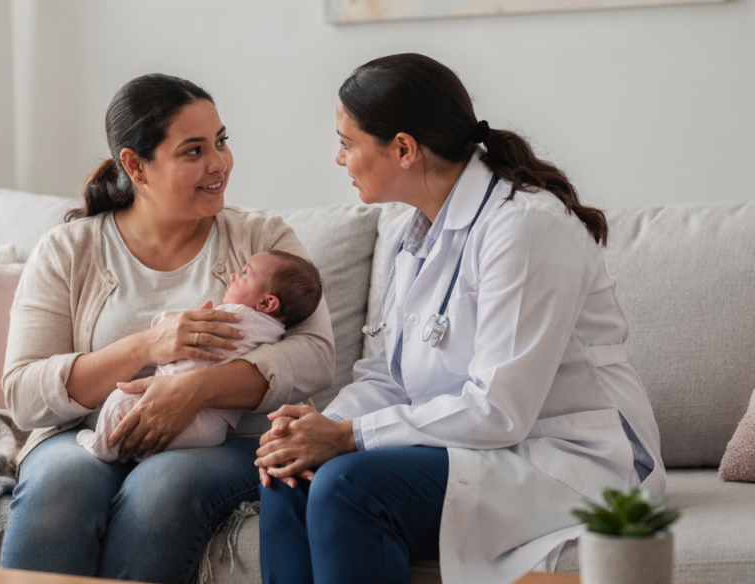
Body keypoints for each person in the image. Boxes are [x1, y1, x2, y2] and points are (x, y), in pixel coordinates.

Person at [256, 53, 666, 584]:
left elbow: (500, 410)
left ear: (403, 148)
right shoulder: (407, 236)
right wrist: (319, 429)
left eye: (346, 142)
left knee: (346, 484)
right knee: (289, 475)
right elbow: (386, 376)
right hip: (468, 448)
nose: (339, 160)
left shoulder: (523, 227)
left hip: (567, 456)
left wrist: (351, 437)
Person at [0, 73, 334, 583]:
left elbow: (315, 355)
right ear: (135, 165)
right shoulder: (68, 250)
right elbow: (23, 392)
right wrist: (147, 344)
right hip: (85, 436)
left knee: (162, 488)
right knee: (60, 486)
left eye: (220, 142)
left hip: (228, 443)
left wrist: (195, 389)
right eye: (193, 151)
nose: (218, 164)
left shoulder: (261, 238)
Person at [77, 250, 324, 462]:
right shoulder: (275, 333)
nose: (234, 275)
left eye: (245, 274)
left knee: (121, 397)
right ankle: (138, 454)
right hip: (213, 431)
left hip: (161, 402)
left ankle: (102, 446)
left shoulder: (233, 314)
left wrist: (163, 324)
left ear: (267, 303)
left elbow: (174, 334)